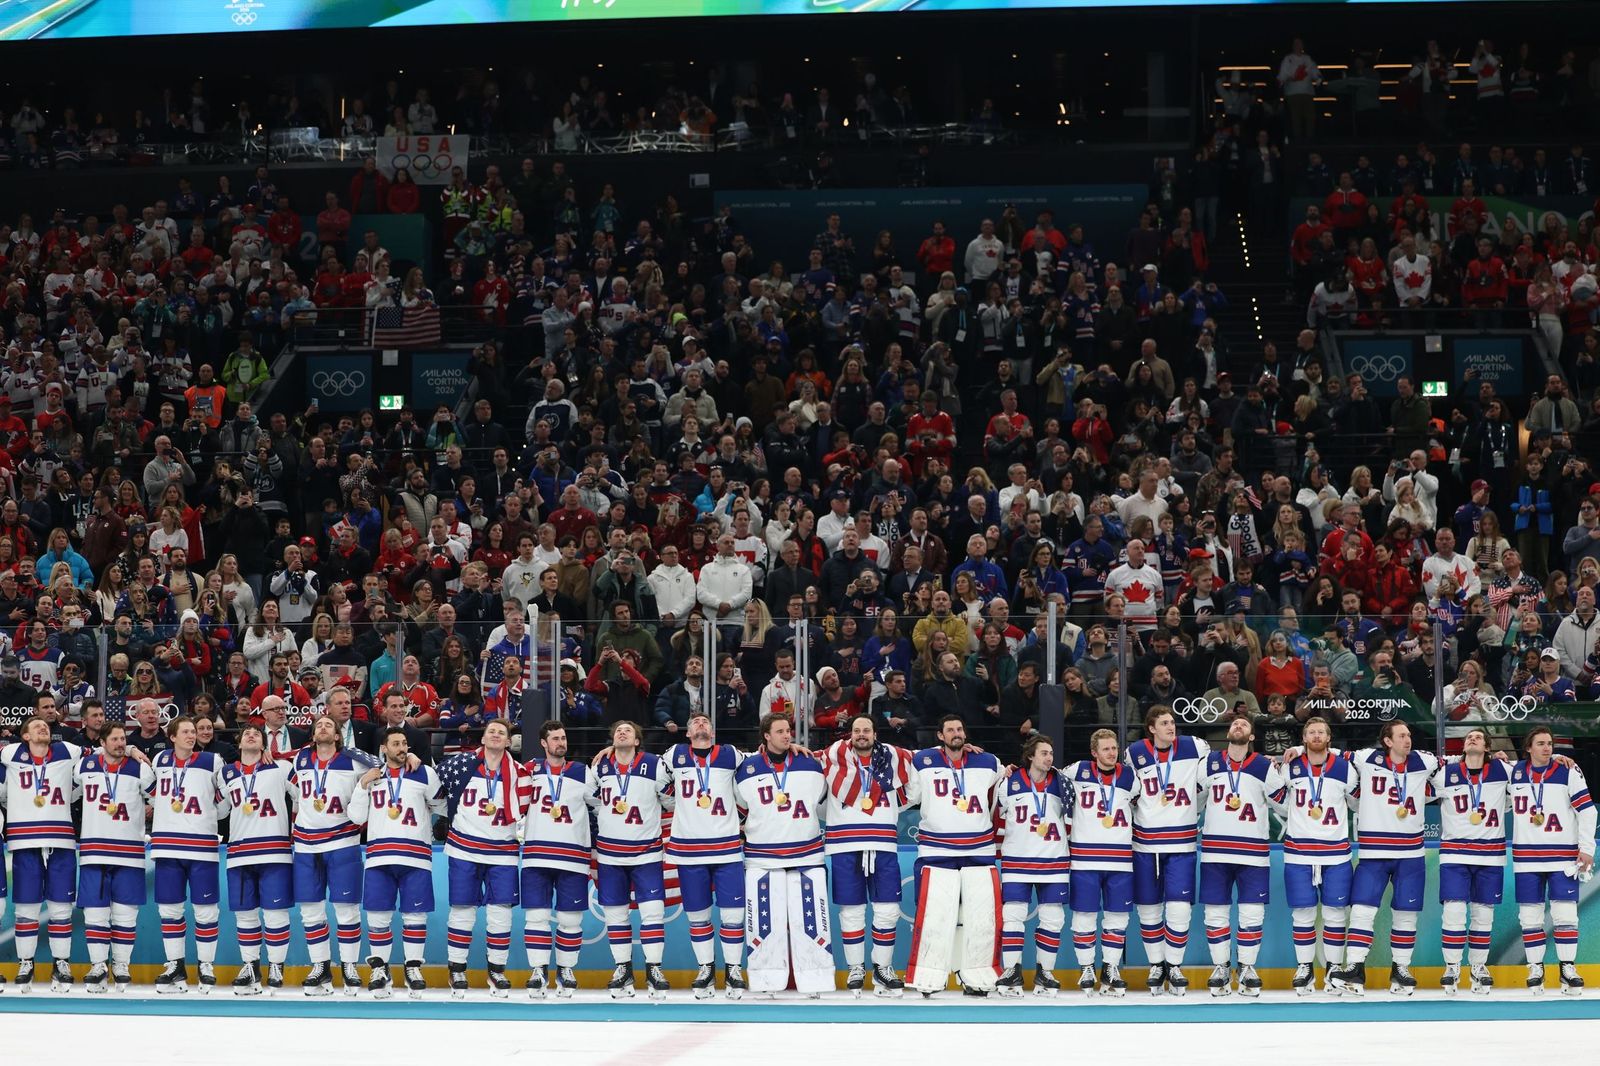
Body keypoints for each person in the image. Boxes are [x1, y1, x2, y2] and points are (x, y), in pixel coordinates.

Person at [1329, 721, 1439, 996]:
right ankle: (1355, 968)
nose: (1408, 740)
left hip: (1411, 854)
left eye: (1409, 735)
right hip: (1374, 852)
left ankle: (1400, 969)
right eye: (1402, 735)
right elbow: (1327, 752)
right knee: (1362, 911)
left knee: (1406, 914)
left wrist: (1494, 756)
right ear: (1388, 741)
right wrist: (1296, 749)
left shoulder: (1424, 761)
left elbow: (1457, 762)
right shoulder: (1367, 758)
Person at [905, 713, 1004, 997]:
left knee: (977, 918)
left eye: (959, 728)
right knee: (935, 916)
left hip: (979, 850)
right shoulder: (922, 761)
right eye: (949, 730)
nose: (956, 733)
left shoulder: (988, 762)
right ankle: (929, 977)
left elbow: (1003, 790)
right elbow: (908, 792)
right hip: (936, 850)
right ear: (940, 736)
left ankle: (973, 976)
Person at [734, 713, 832, 996]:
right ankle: (766, 980)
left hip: (807, 854)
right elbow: (740, 809)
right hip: (762, 857)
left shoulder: (810, 762)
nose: (787, 735)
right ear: (766, 735)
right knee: (764, 925)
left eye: (788, 731)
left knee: (812, 923)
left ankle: (816, 979)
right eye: (780, 731)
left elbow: (824, 801)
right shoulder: (747, 768)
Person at [817, 713, 913, 995]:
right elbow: (817, 799)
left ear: (875, 734)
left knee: (888, 910)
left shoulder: (894, 760)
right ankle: (856, 968)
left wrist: (890, 810)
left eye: (867, 730)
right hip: (844, 844)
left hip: (883, 843)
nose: (861, 734)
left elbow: (916, 788)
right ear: (850, 734)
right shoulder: (832, 761)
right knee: (852, 910)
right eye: (857, 730)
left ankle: (882, 968)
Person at [438, 718, 532, 997]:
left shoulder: (520, 773)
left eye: (501, 733)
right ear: (483, 738)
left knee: (500, 913)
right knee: (462, 911)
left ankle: (497, 971)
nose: (495, 735)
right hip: (464, 847)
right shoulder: (461, 764)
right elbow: (434, 788)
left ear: (508, 742)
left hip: (502, 850)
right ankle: (456, 970)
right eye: (491, 731)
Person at [350, 725, 444, 1000]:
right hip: (379, 856)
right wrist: (362, 784)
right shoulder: (371, 776)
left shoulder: (424, 772)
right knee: (378, 916)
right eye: (395, 744)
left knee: (415, 917)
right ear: (383, 748)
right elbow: (356, 817)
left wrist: (425, 775)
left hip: (416, 855)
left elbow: (441, 805)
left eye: (404, 743)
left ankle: (413, 967)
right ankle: (380, 968)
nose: (402, 748)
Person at [663, 708, 749, 997]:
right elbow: (649, 777)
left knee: (733, 914)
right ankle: (706, 968)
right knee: (698, 916)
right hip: (688, 849)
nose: (701, 725)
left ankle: (734, 969)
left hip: (725, 846)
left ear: (712, 732)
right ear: (688, 733)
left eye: (706, 722)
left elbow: (764, 761)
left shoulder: (730, 754)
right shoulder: (674, 754)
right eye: (696, 722)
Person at [1124, 704, 1209, 995]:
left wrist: (1192, 810)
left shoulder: (1194, 746)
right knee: (1148, 907)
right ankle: (1156, 964)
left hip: (1182, 842)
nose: (1170, 727)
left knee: (1178, 907)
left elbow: (1208, 782)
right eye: (1164, 723)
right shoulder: (1134, 752)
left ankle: (1174, 964)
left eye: (1172, 722)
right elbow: (1128, 792)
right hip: (1145, 842)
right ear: (1151, 728)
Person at [1197, 714, 1284, 998]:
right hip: (1215, 852)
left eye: (1244, 724)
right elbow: (1196, 801)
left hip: (1253, 853)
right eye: (1235, 722)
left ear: (1251, 737)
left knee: (1251, 913)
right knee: (1216, 912)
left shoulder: (1263, 766)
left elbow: (1282, 806)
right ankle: (1220, 967)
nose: (1238, 725)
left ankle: (1247, 967)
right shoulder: (1208, 763)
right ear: (1228, 731)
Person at [591, 720, 674, 999]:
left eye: (628, 730)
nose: (622, 732)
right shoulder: (599, 767)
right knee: (616, 916)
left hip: (646, 853)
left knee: (652, 913)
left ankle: (654, 968)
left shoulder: (654, 765)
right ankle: (623, 968)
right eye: (617, 730)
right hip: (610, 854)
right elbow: (592, 802)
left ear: (637, 741)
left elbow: (671, 801)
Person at [1508, 726, 1594, 995]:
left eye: (1550, 743)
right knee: (1530, 917)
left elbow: (1588, 811)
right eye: (1541, 743)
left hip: (1562, 857)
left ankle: (1567, 968)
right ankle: (1535, 968)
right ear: (1528, 747)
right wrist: (1497, 753)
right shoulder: (1513, 771)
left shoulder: (1568, 770)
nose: (1547, 748)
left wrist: (1587, 848)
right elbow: (1481, 763)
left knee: (1566, 915)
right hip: (1527, 858)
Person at [2, 714, 85, 990]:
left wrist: (132, 749)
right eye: (36, 726)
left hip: (60, 838)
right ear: (24, 736)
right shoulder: (11, 753)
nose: (43, 728)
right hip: (24, 840)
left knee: (61, 906)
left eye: (46, 726)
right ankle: (26, 961)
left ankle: (61, 962)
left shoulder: (67, 750)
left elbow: (102, 752)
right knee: (26, 907)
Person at [149, 714, 231, 992]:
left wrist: (206, 818)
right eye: (184, 732)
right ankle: (175, 965)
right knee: (169, 909)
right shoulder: (159, 761)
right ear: (172, 737)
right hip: (166, 844)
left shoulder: (212, 761)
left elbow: (225, 798)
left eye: (193, 732)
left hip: (201, 846)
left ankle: (206, 965)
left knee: (206, 910)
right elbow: (152, 795)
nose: (191, 736)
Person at [289, 713, 369, 995]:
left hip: (342, 841)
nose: (322, 727)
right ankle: (320, 966)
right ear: (313, 734)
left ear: (338, 736)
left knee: (346, 909)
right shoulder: (299, 759)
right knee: (310, 910)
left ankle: (349, 966)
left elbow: (384, 768)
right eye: (318, 725)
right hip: (306, 844)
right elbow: (276, 768)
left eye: (329, 725)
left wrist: (410, 759)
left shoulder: (356, 759)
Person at [73, 719, 154, 993]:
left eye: (124, 739)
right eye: (116, 739)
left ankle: (121, 965)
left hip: (129, 852)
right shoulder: (85, 766)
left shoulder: (140, 768)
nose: (120, 744)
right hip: (94, 851)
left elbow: (158, 798)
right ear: (102, 742)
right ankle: (98, 965)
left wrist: (133, 751)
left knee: (125, 915)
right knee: (95, 913)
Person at [1429, 726, 1510, 996]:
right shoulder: (1445, 774)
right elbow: (1418, 778)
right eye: (1468, 738)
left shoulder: (1503, 770)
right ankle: (1452, 967)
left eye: (1478, 737)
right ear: (1462, 747)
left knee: (1483, 915)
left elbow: (1535, 770)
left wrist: (1560, 758)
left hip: (1490, 854)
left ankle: (1478, 966)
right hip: (1454, 853)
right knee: (1453, 913)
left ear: (1487, 747)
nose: (1472, 739)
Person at [519, 721, 593, 998]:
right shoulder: (527, 770)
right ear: (543, 743)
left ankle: (566, 969)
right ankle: (538, 971)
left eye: (563, 738)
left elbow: (604, 798)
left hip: (573, 854)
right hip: (537, 854)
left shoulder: (583, 772)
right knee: (536, 917)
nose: (561, 742)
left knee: (570, 920)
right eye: (555, 738)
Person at [219, 724, 294, 995]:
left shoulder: (281, 768)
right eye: (247, 733)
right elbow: (219, 810)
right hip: (238, 852)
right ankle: (250, 965)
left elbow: (303, 797)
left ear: (264, 744)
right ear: (239, 742)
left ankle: (276, 965)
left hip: (274, 849)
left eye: (258, 734)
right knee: (245, 915)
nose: (252, 735)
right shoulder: (226, 773)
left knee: (275, 913)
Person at [995, 733, 1070, 997]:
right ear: (1030, 756)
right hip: (1017, 860)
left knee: (1053, 918)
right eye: (1044, 753)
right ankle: (1011, 971)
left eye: (1051, 753)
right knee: (1013, 917)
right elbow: (996, 817)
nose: (1049, 758)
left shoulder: (1063, 783)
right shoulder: (1008, 782)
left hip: (1054, 860)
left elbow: (1073, 818)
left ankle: (1045, 972)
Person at [1064, 727, 1136, 996]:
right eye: (1105, 749)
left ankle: (1110, 967)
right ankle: (1086, 968)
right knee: (1084, 915)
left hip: (1120, 859)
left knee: (1117, 917)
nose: (1112, 752)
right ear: (1094, 753)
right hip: (1084, 858)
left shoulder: (1130, 776)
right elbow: (1046, 774)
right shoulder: (1077, 770)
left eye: (1114, 748)